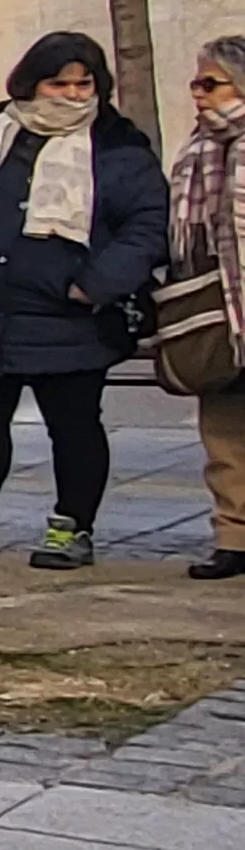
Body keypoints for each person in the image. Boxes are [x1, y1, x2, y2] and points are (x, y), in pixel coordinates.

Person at [0, 30, 169, 569]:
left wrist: (95, 284)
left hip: (70, 316)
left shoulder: (117, 145)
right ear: (31, 84)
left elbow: (146, 225)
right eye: (58, 83)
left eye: (84, 84)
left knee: (73, 428)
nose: (73, 95)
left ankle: (73, 527)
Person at [175, 37, 245, 581]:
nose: (198, 94)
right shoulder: (197, 150)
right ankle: (234, 538)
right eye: (197, 83)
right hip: (219, 310)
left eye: (210, 83)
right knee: (223, 432)